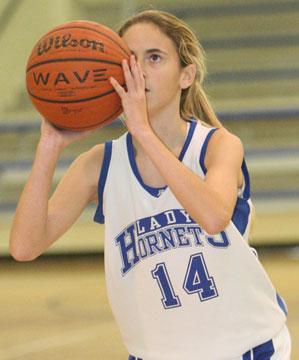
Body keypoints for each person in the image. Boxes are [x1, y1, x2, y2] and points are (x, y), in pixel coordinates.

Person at [10, 9, 291, 360]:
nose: (139, 71)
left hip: (246, 349)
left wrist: (142, 130)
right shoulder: (100, 165)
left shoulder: (217, 145)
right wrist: (49, 147)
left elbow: (214, 216)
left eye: (154, 58)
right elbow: (24, 247)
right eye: (129, 59)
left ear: (185, 75)